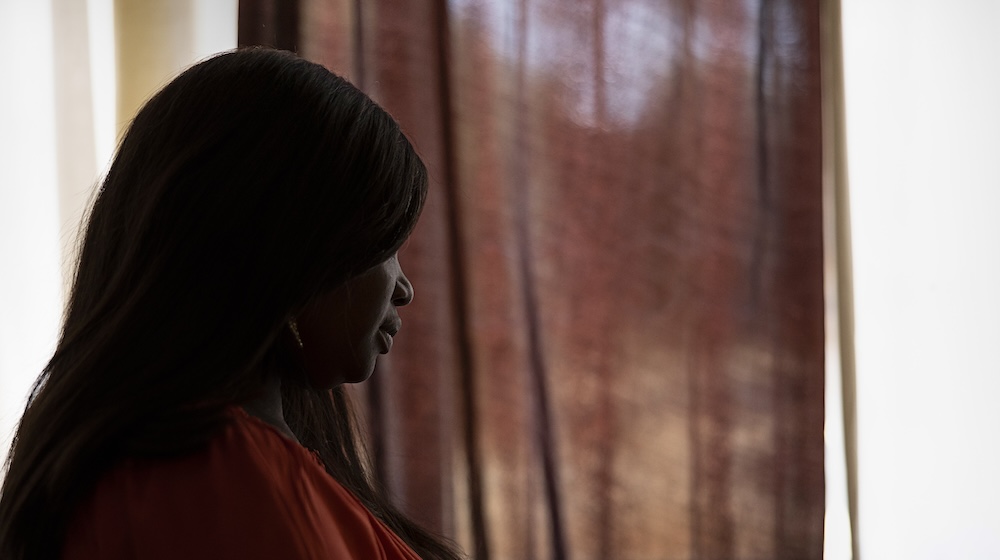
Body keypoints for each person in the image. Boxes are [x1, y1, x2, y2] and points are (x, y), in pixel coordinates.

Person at [0, 48, 463, 560]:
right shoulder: (214, 478)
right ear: (292, 247)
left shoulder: (205, 463)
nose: (404, 288)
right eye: (387, 247)